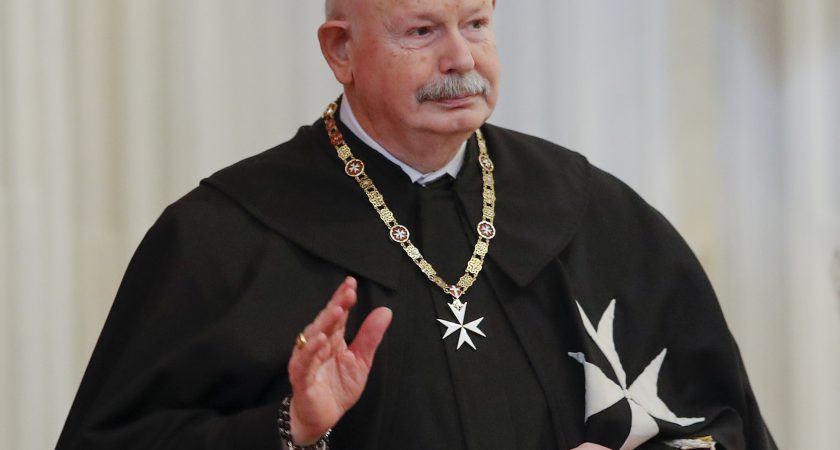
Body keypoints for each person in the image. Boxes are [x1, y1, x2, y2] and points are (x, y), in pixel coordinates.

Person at [56, 0, 777, 449]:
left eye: (477, 23)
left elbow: (720, 420)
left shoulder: (593, 213)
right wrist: (289, 428)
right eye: (423, 30)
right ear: (340, 50)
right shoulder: (223, 238)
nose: (460, 58)